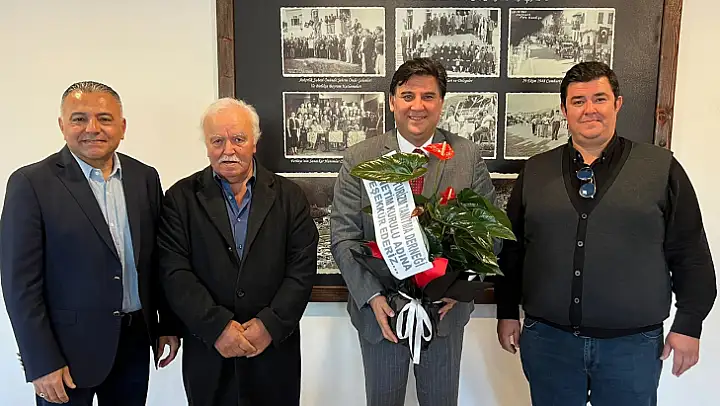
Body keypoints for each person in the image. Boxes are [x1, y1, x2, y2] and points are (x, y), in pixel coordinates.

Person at [495, 61, 717, 406]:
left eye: (599, 99)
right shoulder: (535, 171)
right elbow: (512, 250)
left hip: (632, 348)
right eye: (578, 101)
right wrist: (507, 311)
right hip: (549, 343)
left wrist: (689, 324)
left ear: (617, 103)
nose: (590, 110)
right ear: (564, 110)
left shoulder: (661, 168)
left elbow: (690, 252)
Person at [0, 81, 180, 406]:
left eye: (104, 119)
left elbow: (157, 259)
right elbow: (19, 284)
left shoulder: (144, 177)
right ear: (62, 125)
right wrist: (41, 361)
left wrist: (166, 323)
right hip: (65, 353)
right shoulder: (31, 183)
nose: (92, 128)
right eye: (79, 119)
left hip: (134, 343)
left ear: (122, 127)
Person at [330, 57, 497, 406]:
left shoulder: (466, 156)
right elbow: (344, 236)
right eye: (407, 96)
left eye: (428, 96)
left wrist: (460, 288)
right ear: (392, 102)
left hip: (444, 313)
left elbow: (489, 234)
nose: (417, 106)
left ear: (441, 103)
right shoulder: (360, 158)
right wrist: (372, 297)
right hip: (381, 313)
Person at [157, 98, 319, 406]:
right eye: (217, 140)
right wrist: (217, 327)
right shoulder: (180, 199)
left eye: (238, 139)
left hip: (273, 351)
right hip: (209, 350)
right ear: (207, 145)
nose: (228, 150)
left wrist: (269, 325)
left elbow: (302, 269)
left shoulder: (290, 197)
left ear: (254, 143)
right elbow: (174, 272)